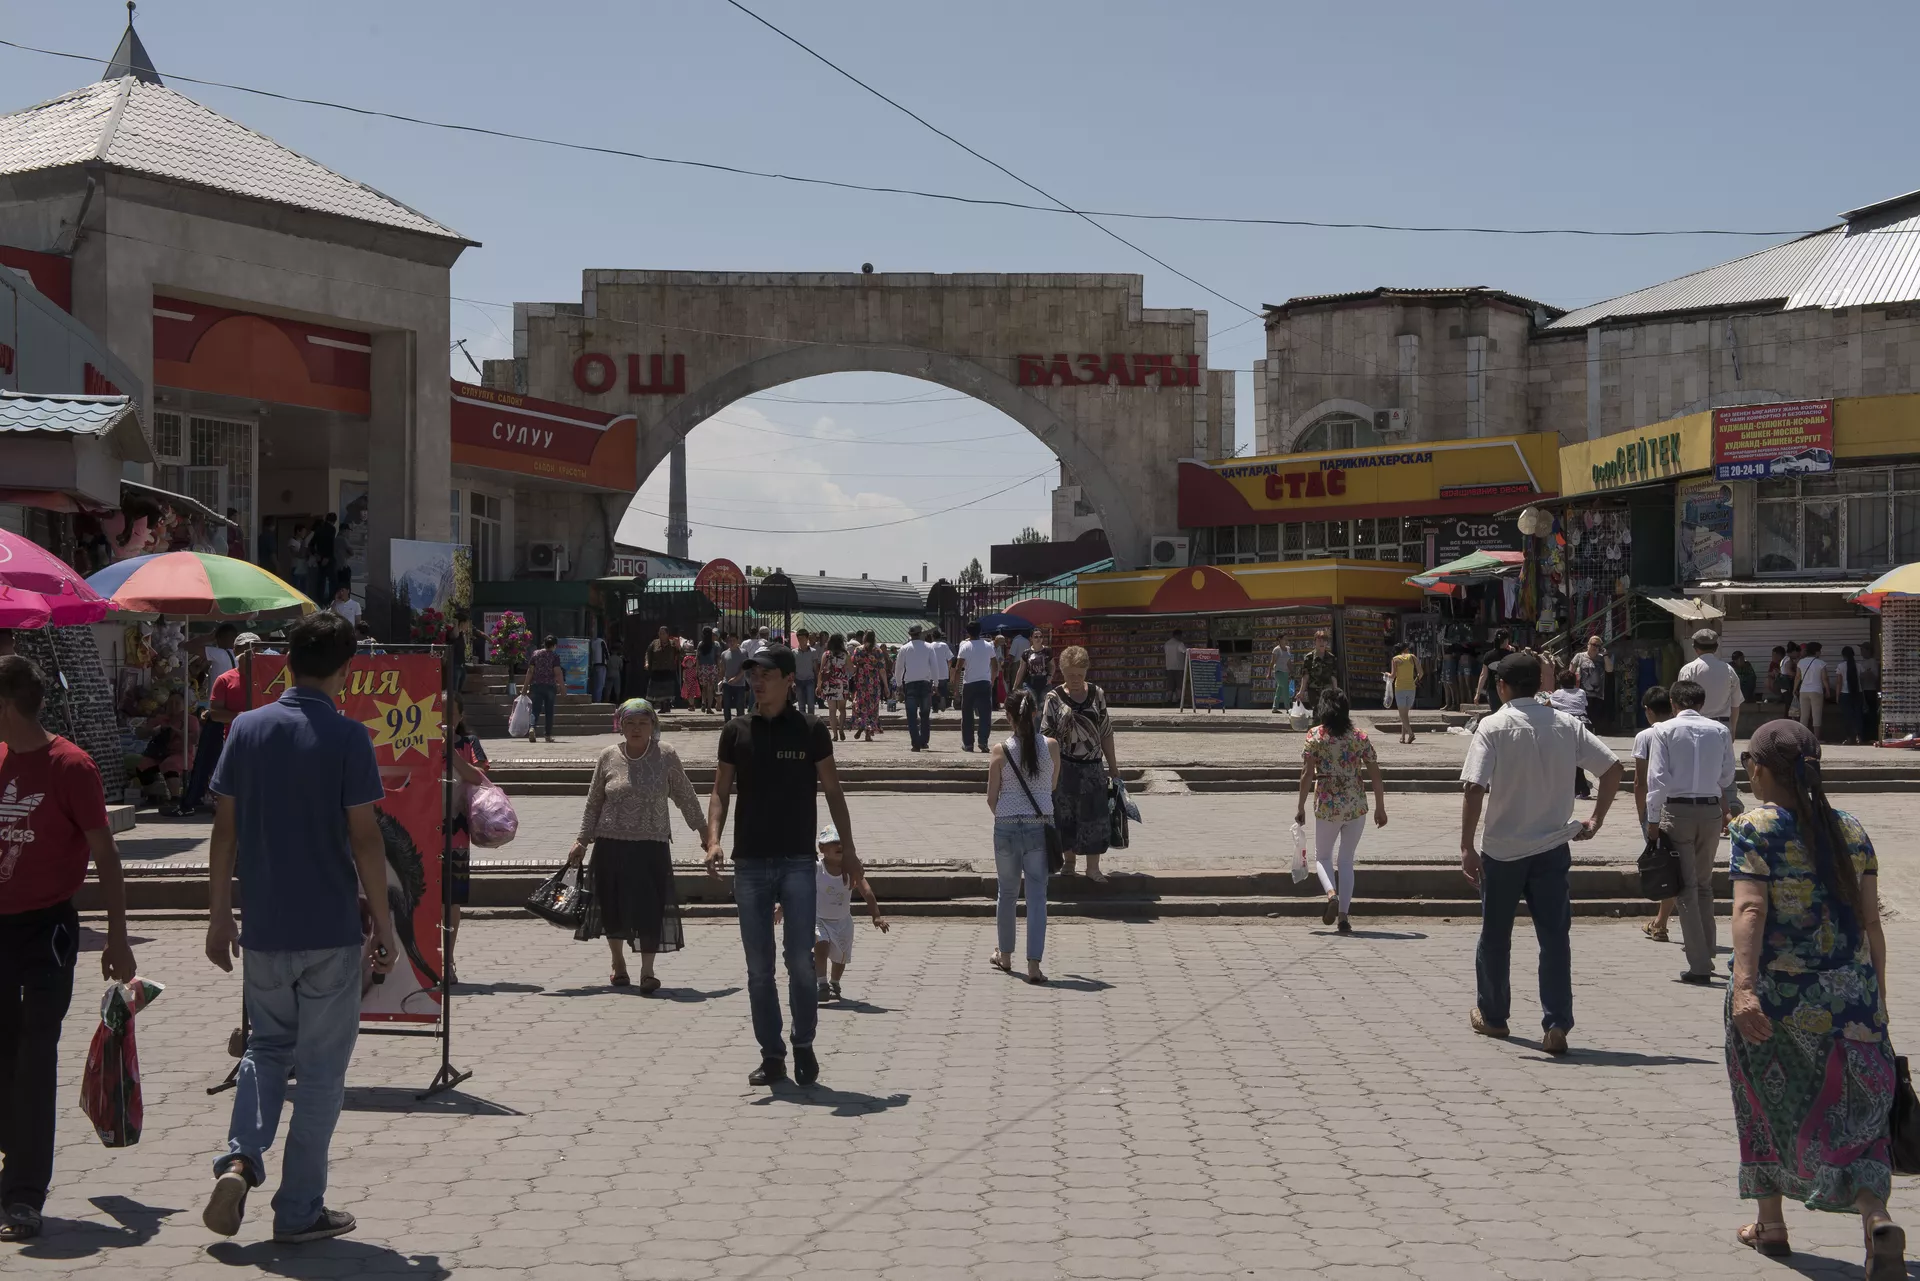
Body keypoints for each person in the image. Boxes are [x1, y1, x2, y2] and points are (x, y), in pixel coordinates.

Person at [200, 611, 396, 1245]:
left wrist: (218, 916)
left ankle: (239, 1162)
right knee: (319, 1075)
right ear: (346, 670)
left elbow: (223, 831)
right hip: (329, 930)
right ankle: (299, 1210)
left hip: (264, 927)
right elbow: (366, 840)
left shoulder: (246, 729)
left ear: (286, 660)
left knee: (265, 1049)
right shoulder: (348, 737)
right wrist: (385, 925)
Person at [1725, 719, 1903, 1274]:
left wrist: (1744, 989)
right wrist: (1878, 1001)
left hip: (1779, 997)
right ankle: (1875, 1218)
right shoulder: (1850, 828)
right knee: (1860, 1117)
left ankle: (1771, 1224)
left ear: (1759, 768)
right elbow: (1872, 923)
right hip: (1852, 997)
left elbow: (1749, 908)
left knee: (1762, 1102)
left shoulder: (1755, 826)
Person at [0, 657, 136, 1242]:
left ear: (7, 705)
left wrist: (118, 937)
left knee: (34, 1058)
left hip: (47, 932)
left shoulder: (71, 766)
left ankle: (23, 1195)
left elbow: (106, 855)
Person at [705, 645, 859, 1088]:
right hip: (750, 862)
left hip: (797, 861)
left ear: (789, 680)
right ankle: (771, 1055)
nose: (756, 681)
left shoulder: (810, 730)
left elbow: (833, 791)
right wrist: (713, 840)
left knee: (800, 961)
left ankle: (803, 1044)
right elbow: (720, 791)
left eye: (766, 674)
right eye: (752, 674)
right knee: (759, 968)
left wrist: (849, 850)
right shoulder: (735, 731)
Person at [1459, 652, 1621, 1055]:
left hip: (1502, 852)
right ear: (1540, 685)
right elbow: (1612, 768)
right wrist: (1596, 819)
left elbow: (1474, 788)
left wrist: (1466, 846)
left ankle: (1494, 1016)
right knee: (1554, 938)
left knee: (1495, 937)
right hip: (1551, 848)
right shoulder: (1566, 724)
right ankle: (1556, 1023)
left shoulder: (1492, 726)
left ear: (1501, 687)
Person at [568, 699, 707, 993]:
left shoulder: (665, 754)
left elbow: (685, 794)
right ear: (620, 726)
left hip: (651, 845)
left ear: (653, 725)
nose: (636, 728)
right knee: (612, 905)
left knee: (650, 907)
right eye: (629, 723)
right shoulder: (608, 756)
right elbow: (594, 802)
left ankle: (647, 971)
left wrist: (705, 831)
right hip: (610, 844)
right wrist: (582, 840)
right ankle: (618, 963)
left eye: (643, 723)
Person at [1643, 679, 1736, 985]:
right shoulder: (1719, 730)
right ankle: (1707, 950)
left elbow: (1657, 779)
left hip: (1677, 811)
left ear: (1673, 704)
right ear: (1701, 703)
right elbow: (1726, 776)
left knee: (1685, 888)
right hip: (1710, 812)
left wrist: (1652, 821)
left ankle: (1699, 964)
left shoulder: (1663, 730)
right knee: (1705, 884)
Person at [1293, 688, 1386, 934]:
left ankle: (1331, 894)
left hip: (1327, 804)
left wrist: (1300, 805)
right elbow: (1376, 775)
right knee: (1346, 860)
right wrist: (1380, 807)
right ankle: (1343, 917)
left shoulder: (1315, 735)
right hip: (1356, 804)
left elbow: (1306, 774)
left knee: (1323, 857)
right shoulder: (1359, 737)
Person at [987, 688, 1058, 984]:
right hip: (1039, 826)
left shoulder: (1000, 750)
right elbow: (1051, 786)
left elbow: (991, 798)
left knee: (1007, 892)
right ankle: (1033, 966)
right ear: (1035, 713)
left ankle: (1005, 956)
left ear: (1009, 717)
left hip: (1006, 826)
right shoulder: (1051, 746)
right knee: (1037, 895)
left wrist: (1007, 813)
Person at [1039, 646, 1119, 883]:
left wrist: (1113, 767)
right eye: (1070, 674)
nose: (1075, 679)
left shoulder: (1097, 694)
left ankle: (1093, 868)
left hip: (1093, 767)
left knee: (1095, 816)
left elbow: (1106, 731)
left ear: (1086, 671)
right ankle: (1069, 862)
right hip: (1064, 767)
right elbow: (1045, 736)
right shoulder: (1054, 698)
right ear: (1062, 672)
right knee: (1065, 816)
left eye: (1079, 674)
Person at [172, 631, 261, 817]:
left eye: (254, 648)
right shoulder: (225, 676)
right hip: (229, 732)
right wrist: (242, 717)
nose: (251, 652)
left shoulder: (268, 677)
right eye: (246, 648)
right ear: (236, 649)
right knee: (211, 763)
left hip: (258, 735)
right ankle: (198, 801)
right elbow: (217, 712)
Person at [801, 824, 887, 1002]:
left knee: (840, 958)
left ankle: (834, 982)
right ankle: (821, 983)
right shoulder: (816, 868)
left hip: (842, 921)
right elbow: (799, 888)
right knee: (821, 946)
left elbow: (866, 891)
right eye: (833, 842)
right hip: (818, 918)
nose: (839, 846)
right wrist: (783, 907)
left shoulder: (851, 870)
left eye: (842, 843)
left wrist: (876, 916)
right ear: (822, 848)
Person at [445, 696, 491, 982]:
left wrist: (450, 753)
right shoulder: (417, 742)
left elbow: (480, 777)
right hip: (422, 830)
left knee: (451, 900)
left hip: (456, 832)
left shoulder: (468, 743)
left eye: (450, 713)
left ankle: (447, 960)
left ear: (460, 716)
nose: (444, 719)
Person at [1677, 629, 1743, 734]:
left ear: (1695, 648)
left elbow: (1681, 703)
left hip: (1695, 727)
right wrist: (1733, 730)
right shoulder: (1729, 670)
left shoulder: (1688, 670)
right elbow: (1735, 705)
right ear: (1716, 648)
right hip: (1721, 727)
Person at [895, 625, 941, 752]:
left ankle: (915, 743)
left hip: (910, 684)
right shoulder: (929, 647)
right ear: (921, 633)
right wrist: (936, 684)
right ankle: (924, 741)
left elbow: (899, 668)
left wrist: (899, 684)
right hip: (925, 683)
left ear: (910, 634)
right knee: (925, 714)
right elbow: (934, 667)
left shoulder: (904, 648)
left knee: (911, 715)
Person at [1548, 669, 1592, 799]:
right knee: (1577, 757)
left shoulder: (1558, 693)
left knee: (1569, 758)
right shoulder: (1581, 692)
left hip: (1567, 724)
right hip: (1584, 723)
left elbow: (1548, 704)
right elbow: (1582, 704)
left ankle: (1580, 788)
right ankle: (1581, 788)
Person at [956, 622, 999, 753]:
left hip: (969, 683)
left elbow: (958, 668)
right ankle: (983, 741)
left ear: (968, 632)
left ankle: (968, 744)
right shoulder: (988, 646)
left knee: (967, 715)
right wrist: (992, 680)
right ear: (980, 631)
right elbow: (995, 666)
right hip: (984, 682)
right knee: (985, 715)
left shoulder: (964, 646)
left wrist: (956, 689)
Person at [1569, 634, 1612, 729]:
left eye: (1598, 645)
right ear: (1588, 644)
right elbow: (1570, 672)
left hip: (1598, 694)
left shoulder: (1602, 658)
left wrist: (1605, 655)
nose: (1595, 647)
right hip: (1582, 693)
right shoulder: (1579, 656)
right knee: (1583, 720)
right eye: (1593, 644)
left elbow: (1609, 670)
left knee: (1595, 720)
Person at [848, 633, 885, 742]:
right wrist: (886, 686)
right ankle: (868, 730)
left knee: (860, 705)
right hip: (874, 683)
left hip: (861, 682)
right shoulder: (878, 652)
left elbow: (853, 664)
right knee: (872, 708)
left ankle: (862, 724)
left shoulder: (858, 650)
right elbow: (882, 670)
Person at [1792, 640, 1832, 736]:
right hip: (1816, 691)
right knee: (1816, 715)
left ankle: (1803, 737)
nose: (1820, 652)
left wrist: (1794, 689)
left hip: (1803, 691)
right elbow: (1824, 678)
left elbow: (1797, 677)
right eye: (1820, 650)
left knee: (1804, 716)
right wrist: (1828, 690)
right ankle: (1816, 738)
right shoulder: (1821, 663)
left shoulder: (1801, 662)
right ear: (1816, 652)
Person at [1472, 628, 1515, 714]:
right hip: (1507, 690)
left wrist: (1478, 694)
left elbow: (1483, 675)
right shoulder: (1510, 655)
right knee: (1507, 713)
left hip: (1492, 690)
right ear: (1506, 640)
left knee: (1496, 713)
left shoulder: (1488, 655)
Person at [526, 635, 560, 743]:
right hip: (550, 686)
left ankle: (532, 727)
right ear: (554, 645)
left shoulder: (535, 654)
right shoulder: (555, 656)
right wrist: (562, 687)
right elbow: (557, 672)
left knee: (535, 710)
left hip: (536, 685)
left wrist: (525, 687)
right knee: (549, 711)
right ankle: (548, 735)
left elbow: (530, 671)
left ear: (544, 644)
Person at [1296, 630, 1339, 711]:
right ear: (1315, 642)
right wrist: (1301, 692)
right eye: (1319, 640)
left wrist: (1335, 690)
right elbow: (1305, 676)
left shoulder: (1331, 658)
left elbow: (1333, 676)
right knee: (1317, 712)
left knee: (1327, 712)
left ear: (1327, 642)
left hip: (1327, 691)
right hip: (1313, 691)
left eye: (1324, 640)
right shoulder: (1309, 657)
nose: (1322, 643)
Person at [817, 633, 849, 740]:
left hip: (829, 684)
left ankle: (835, 734)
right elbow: (851, 668)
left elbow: (821, 671)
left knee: (832, 710)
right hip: (842, 684)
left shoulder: (826, 654)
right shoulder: (845, 654)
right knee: (842, 709)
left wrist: (819, 685)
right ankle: (841, 729)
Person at [1388, 642, 1420, 744]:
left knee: (1402, 715)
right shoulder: (1413, 657)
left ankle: (1410, 734)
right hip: (1411, 688)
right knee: (1405, 714)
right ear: (1406, 649)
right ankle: (1402, 737)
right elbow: (1421, 673)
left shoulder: (1395, 659)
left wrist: (1387, 674)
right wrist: (1414, 681)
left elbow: (1393, 676)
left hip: (1400, 688)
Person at [645, 626, 679, 712]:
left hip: (668, 669)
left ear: (667, 634)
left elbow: (681, 655)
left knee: (667, 689)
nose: (661, 635)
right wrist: (647, 663)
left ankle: (667, 705)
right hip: (657, 669)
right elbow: (648, 653)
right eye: (660, 633)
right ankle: (662, 705)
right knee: (657, 689)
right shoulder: (654, 643)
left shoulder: (672, 643)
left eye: (663, 633)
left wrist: (678, 646)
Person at [1839, 645, 1867, 745]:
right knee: (1858, 716)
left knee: (1848, 717)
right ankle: (1859, 737)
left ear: (1843, 655)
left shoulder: (1840, 666)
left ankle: (1850, 738)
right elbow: (1863, 679)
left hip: (1845, 694)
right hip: (1858, 693)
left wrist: (1837, 696)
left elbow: (1839, 682)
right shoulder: (1859, 666)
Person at [721, 631, 751, 723]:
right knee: (726, 706)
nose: (731, 642)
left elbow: (744, 668)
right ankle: (727, 724)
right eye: (729, 641)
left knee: (740, 706)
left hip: (739, 684)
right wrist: (721, 680)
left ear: (738, 641)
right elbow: (723, 669)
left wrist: (736, 678)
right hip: (727, 683)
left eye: (733, 640)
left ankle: (740, 725)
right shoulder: (724, 654)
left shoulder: (743, 653)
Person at [695, 627, 722, 714]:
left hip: (702, 668)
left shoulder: (700, 644)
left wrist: (697, 669)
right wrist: (719, 669)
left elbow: (697, 658)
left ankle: (703, 703)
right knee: (710, 688)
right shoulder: (715, 644)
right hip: (712, 668)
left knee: (704, 687)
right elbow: (718, 658)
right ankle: (709, 707)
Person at [308, 513, 336, 595]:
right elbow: (330, 544)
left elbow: (311, 544)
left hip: (320, 558)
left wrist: (316, 554)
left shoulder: (319, 529)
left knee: (321, 581)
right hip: (328, 558)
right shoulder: (331, 529)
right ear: (334, 521)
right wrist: (327, 557)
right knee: (332, 581)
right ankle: (331, 600)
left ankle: (319, 599)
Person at [928, 629, 955, 714]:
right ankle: (942, 700)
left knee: (933, 689)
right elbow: (950, 659)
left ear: (932, 637)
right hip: (943, 671)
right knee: (943, 689)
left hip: (932, 672)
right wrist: (948, 668)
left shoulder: (929, 646)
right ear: (940, 637)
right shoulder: (944, 645)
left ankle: (935, 707)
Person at [1860, 643, 1882, 743]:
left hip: (1870, 690)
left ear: (1868, 651)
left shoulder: (1872, 662)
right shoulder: (1863, 662)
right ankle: (1865, 736)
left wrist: (1865, 674)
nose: (1861, 652)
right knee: (1864, 714)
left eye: (1863, 650)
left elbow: (1875, 676)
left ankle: (1872, 735)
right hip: (1863, 690)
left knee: (1871, 714)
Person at [793, 630, 818, 717]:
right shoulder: (794, 652)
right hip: (798, 680)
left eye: (803, 638)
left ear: (807, 639)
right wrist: (793, 682)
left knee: (811, 704)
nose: (801, 640)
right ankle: (802, 721)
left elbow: (815, 668)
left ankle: (811, 721)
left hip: (809, 680)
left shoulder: (813, 651)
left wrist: (818, 682)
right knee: (801, 705)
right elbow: (793, 668)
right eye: (799, 638)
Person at [447, 613, 471, 697]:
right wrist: (456, 623)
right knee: (454, 690)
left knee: (459, 690)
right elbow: (454, 636)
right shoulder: (452, 633)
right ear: (462, 623)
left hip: (461, 665)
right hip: (454, 665)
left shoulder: (461, 634)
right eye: (466, 623)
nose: (467, 625)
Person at [1163, 628, 1188, 706]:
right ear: (1178, 635)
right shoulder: (1179, 644)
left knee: (1170, 685)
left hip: (1169, 667)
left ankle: (1169, 700)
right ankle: (1179, 700)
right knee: (1179, 685)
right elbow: (1185, 652)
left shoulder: (1167, 644)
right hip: (1178, 667)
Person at [286, 521, 311, 597]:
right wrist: (303, 546)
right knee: (296, 588)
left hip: (304, 567)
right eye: (303, 532)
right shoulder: (292, 541)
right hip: (296, 567)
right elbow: (298, 554)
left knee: (304, 589)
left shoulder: (303, 542)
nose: (304, 534)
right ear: (298, 531)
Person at [588, 624, 610, 705]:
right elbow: (606, 653)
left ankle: (594, 698)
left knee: (595, 683)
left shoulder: (593, 642)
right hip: (602, 664)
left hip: (594, 664)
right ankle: (598, 700)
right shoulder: (602, 642)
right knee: (601, 684)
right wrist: (608, 658)